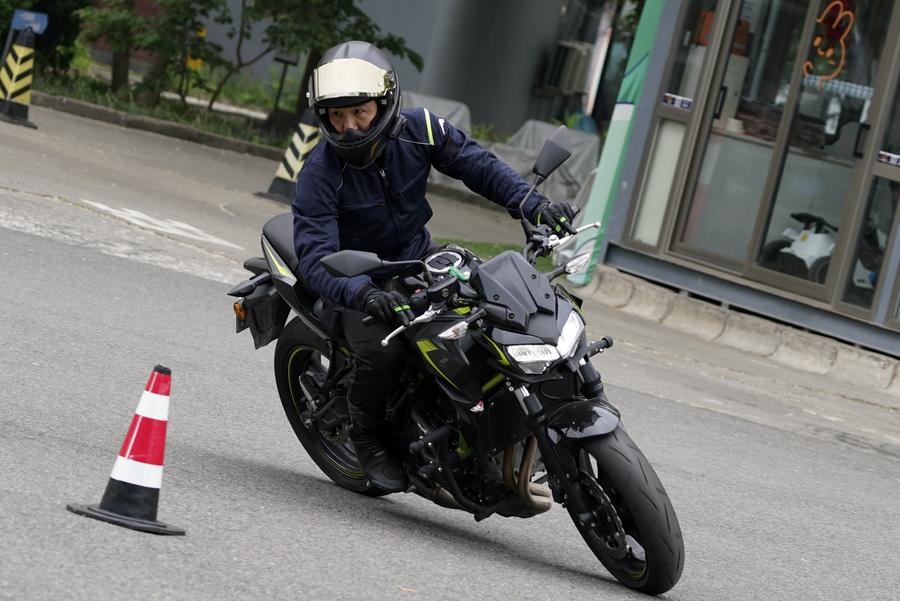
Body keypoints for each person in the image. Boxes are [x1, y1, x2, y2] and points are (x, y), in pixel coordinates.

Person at [292, 41, 577, 492]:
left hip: (418, 257)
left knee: (497, 310)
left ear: (385, 101)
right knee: (384, 350)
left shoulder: (421, 128)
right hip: (355, 280)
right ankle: (367, 435)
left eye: (359, 112)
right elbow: (314, 257)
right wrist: (364, 294)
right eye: (337, 116)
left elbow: (478, 166)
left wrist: (534, 205)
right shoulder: (320, 173)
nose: (349, 127)